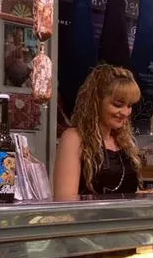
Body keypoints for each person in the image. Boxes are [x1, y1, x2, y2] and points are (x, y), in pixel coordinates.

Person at [54, 64, 141, 200]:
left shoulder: (125, 142)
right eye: (118, 105)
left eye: (129, 106)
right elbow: (64, 201)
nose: (125, 112)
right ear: (96, 102)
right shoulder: (74, 138)